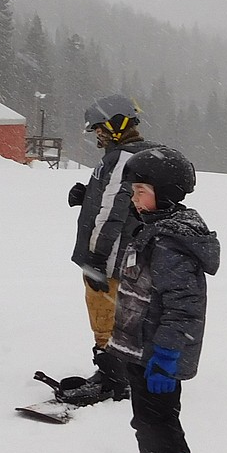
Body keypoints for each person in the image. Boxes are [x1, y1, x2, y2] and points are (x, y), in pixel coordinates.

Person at [85, 146, 218, 453]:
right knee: (156, 418)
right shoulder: (156, 228)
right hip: (143, 350)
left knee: (153, 421)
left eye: (140, 190)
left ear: (167, 193)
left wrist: (165, 356)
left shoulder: (171, 242)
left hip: (157, 354)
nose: (134, 198)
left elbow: (182, 308)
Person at [63, 94, 162, 403]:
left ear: (116, 125)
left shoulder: (120, 159)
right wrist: (88, 194)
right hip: (130, 256)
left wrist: (95, 257)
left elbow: (112, 211)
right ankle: (129, 368)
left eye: (100, 129)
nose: (98, 135)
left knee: (105, 313)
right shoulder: (144, 154)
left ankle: (113, 376)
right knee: (129, 313)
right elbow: (128, 201)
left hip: (110, 255)